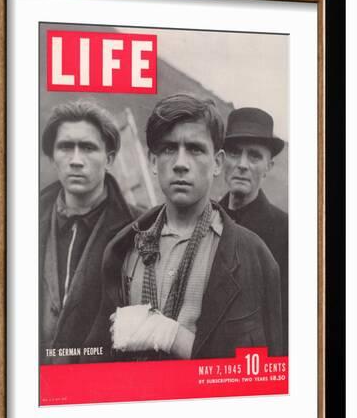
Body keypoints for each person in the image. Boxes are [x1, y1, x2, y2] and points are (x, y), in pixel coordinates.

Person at [84, 94, 283, 361]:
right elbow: (94, 363)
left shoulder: (254, 257)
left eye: (195, 149)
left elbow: (263, 371)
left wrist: (171, 336)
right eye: (168, 148)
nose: (180, 163)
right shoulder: (121, 249)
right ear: (153, 162)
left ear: (217, 163)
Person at [40, 99, 141, 364]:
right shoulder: (18, 223)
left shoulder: (140, 228)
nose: (75, 160)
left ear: (108, 159)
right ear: (52, 157)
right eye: (65, 147)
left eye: (88, 148)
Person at [219, 107, 288, 355]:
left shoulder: (287, 233)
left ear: (268, 166)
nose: (242, 165)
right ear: (221, 159)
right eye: (235, 153)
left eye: (254, 156)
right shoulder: (204, 221)